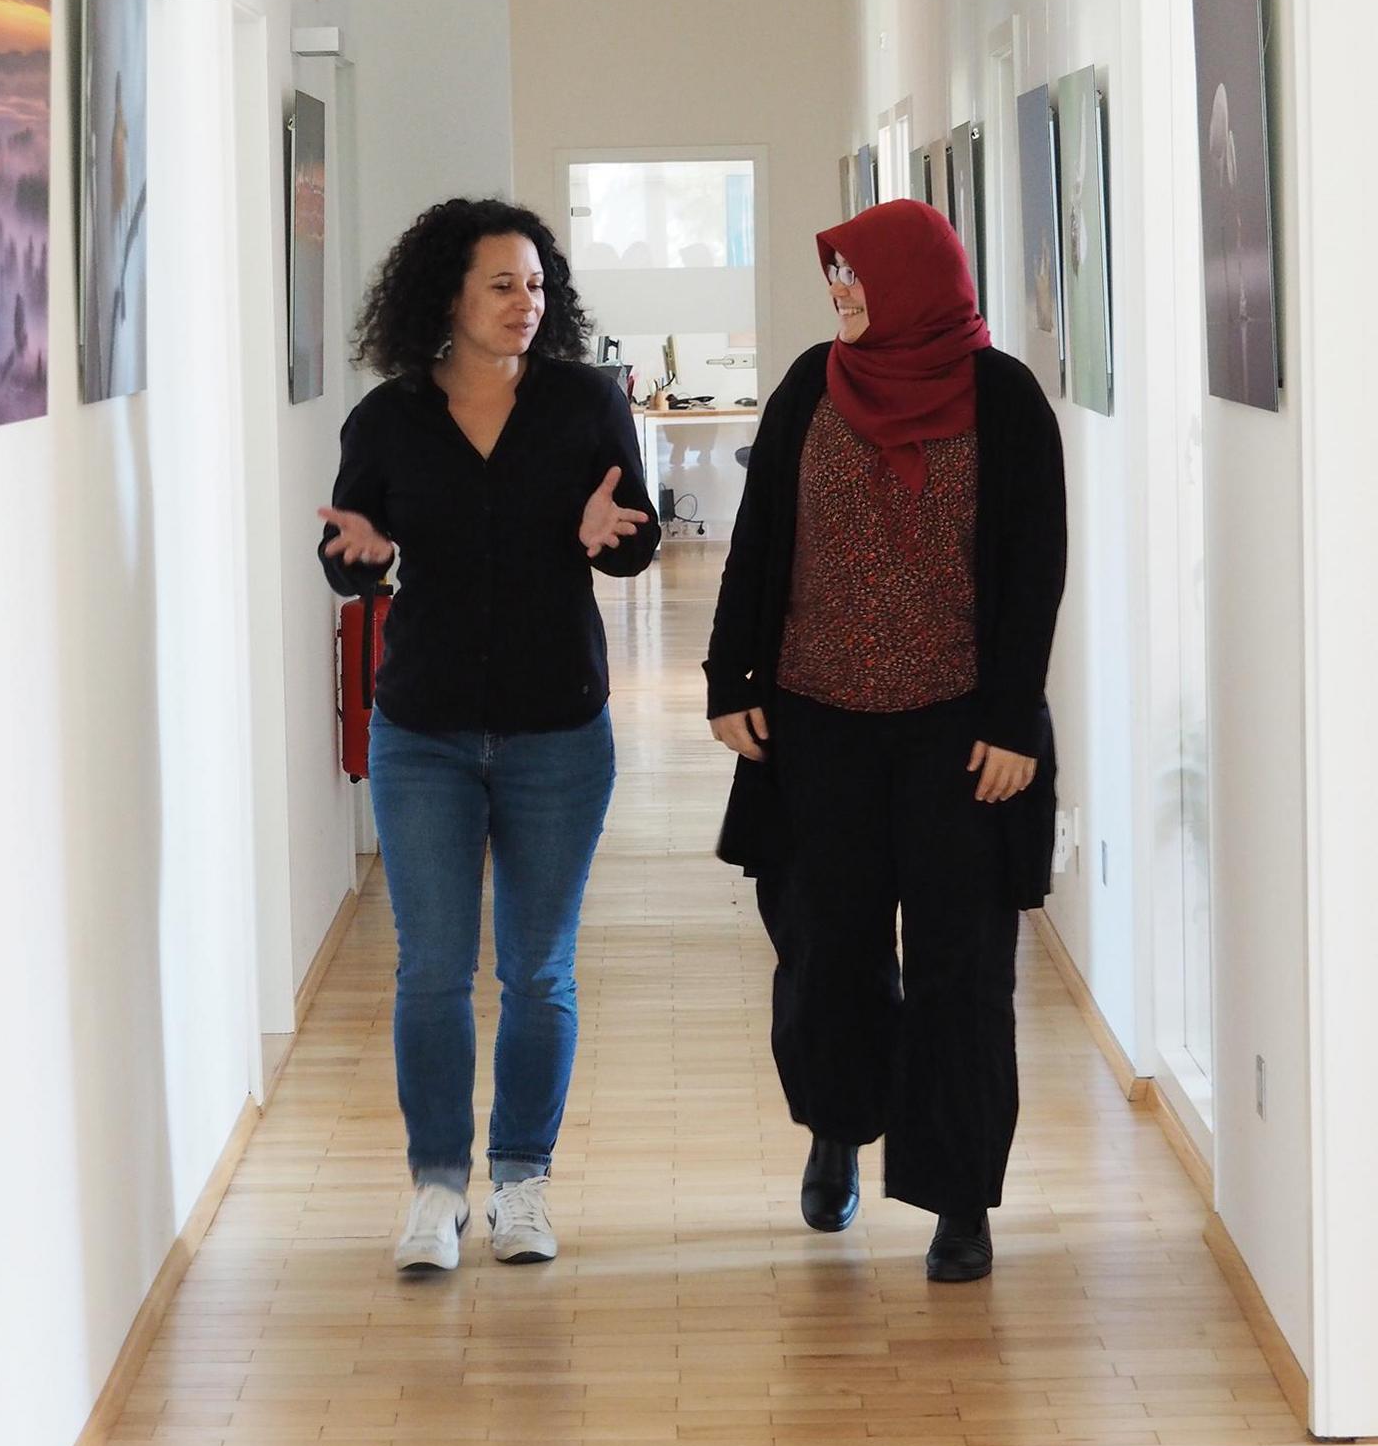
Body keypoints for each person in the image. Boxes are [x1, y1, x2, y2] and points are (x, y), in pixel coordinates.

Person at [704, 198, 1066, 1282]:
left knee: (961, 969)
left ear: (918, 279)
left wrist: (1011, 719)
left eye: (857, 277)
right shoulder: (810, 386)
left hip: (959, 738)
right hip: (816, 726)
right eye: (834, 279)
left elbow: (1031, 567)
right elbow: (758, 536)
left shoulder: (999, 399)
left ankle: (958, 1197)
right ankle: (836, 1123)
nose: (840, 295)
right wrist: (730, 678)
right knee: (826, 951)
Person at [318, 198, 658, 1273]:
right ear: (447, 298)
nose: (526, 305)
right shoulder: (387, 420)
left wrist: (612, 541)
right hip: (422, 728)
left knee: (536, 969)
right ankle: (434, 1187)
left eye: (537, 286)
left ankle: (520, 1183)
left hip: (558, 726)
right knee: (428, 969)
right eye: (502, 286)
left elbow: (631, 540)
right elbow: (345, 552)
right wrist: (358, 558)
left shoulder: (586, 407)